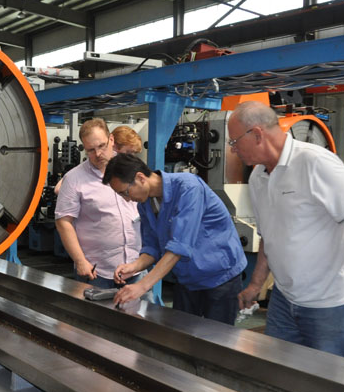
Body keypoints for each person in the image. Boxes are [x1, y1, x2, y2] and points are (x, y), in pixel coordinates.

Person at [232, 101, 344, 360]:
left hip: (330, 304)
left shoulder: (316, 163)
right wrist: (256, 285)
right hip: (284, 300)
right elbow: (270, 236)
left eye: (235, 141)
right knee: (279, 372)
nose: (233, 149)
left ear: (257, 134)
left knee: (333, 379)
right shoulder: (258, 178)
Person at [102, 153, 247, 324]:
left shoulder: (189, 188)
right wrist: (134, 266)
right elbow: (152, 247)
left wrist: (142, 286)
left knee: (217, 337)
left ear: (140, 178)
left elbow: (180, 246)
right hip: (187, 279)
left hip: (219, 278)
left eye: (125, 192)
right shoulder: (145, 204)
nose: (127, 199)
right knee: (181, 334)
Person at [55, 118, 145, 290]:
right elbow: (63, 222)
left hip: (136, 268)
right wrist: (80, 261)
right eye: (91, 150)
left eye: (102, 146)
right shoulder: (74, 179)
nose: (98, 154)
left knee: (141, 308)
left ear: (111, 140)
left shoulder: (133, 169)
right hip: (97, 272)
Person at [54, 124, 142, 195]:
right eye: (128, 152)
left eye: (134, 154)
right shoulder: (89, 168)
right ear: (113, 145)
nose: (132, 158)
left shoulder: (126, 171)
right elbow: (58, 189)